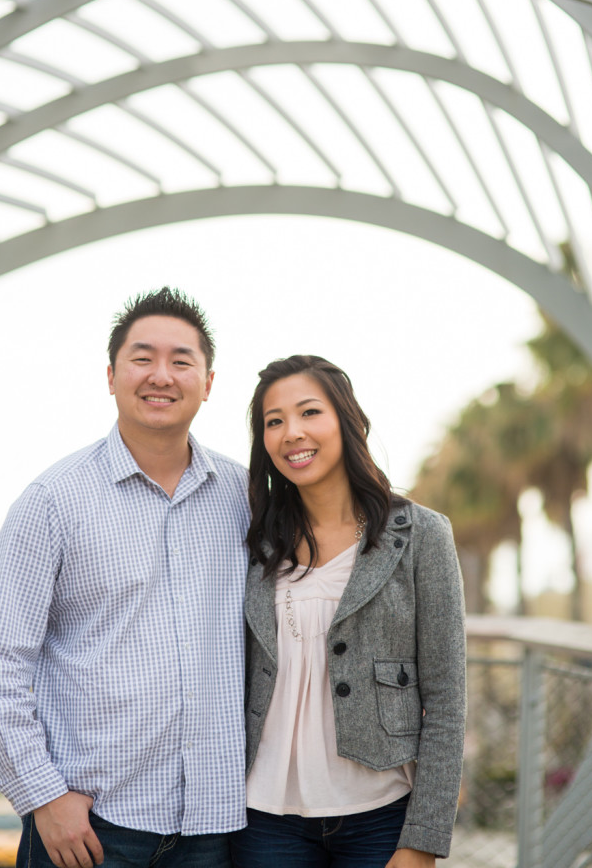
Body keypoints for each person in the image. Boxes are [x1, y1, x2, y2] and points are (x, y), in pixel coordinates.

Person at [0, 287, 249, 868]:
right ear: (111, 375)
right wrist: (43, 796)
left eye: (181, 361)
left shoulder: (247, 499)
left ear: (209, 381)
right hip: (88, 828)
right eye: (142, 358)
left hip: (215, 829)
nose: (161, 376)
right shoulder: (53, 500)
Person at [230, 355, 466, 868]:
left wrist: (422, 839)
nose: (292, 432)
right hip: (264, 817)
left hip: (380, 816)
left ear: (348, 422)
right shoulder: (253, 543)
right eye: (274, 421)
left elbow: (447, 699)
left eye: (309, 412)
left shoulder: (422, 535)